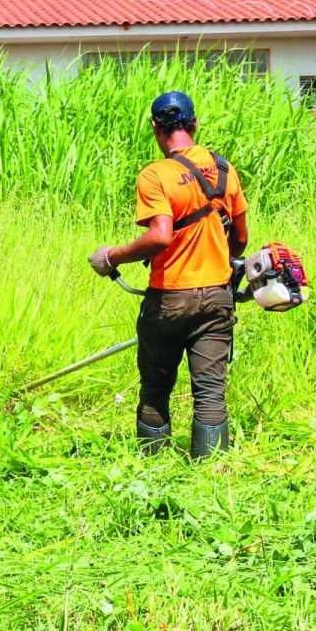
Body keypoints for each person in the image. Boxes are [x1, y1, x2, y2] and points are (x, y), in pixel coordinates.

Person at [87, 91, 249, 459]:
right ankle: (209, 477)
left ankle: (153, 470)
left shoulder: (155, 174)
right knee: (210, 392)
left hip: (170, 301)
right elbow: (239, 239)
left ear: (156, 129)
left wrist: (112, 256)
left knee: (156, 389)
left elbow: (160, 236)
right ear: (194, 124)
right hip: (217, 298)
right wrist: (216, 260)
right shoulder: (224, 170)